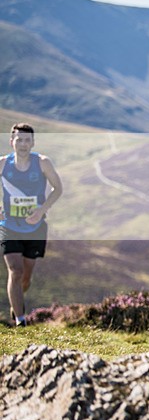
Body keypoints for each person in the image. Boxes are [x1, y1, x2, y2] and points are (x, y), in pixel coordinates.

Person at [1, 123, 63, 326]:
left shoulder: (43, 163)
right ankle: (20, 320)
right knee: (15, 271)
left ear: (33, 143)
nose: (23, 144)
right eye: (19, 140)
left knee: (25, 277)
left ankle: (15, 301)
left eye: (27, 140)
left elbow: (58, 189)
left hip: (35, 228)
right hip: (8, 226)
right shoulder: (2, 164)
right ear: (12, 142)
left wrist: (41, 210)